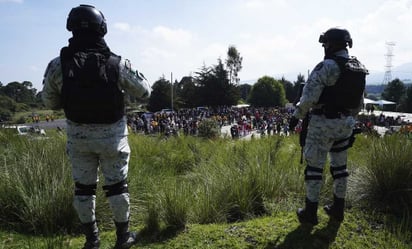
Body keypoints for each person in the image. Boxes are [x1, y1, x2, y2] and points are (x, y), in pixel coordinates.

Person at [42, 5, 151, 249]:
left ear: (71, 27)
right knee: (117, 186)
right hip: (112, 136)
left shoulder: (57, 65)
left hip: (78, 136)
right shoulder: (117, 63)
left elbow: (48, 100)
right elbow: (145, 91)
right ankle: (123, 237)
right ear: (102, 28)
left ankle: (92, 240)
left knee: (83, 189)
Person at [289, 27, 368, 225]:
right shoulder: (358, 67)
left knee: (314, 169)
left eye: (325, 43)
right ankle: (338, 210)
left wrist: (296, 116)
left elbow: (309, 97)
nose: (324, 47)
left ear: (331, 44)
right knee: (340, 168)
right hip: (346, 124)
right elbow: (360, 102)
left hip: (322, 124)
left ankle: (310, 213)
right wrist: (347, 119)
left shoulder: (328, 66)